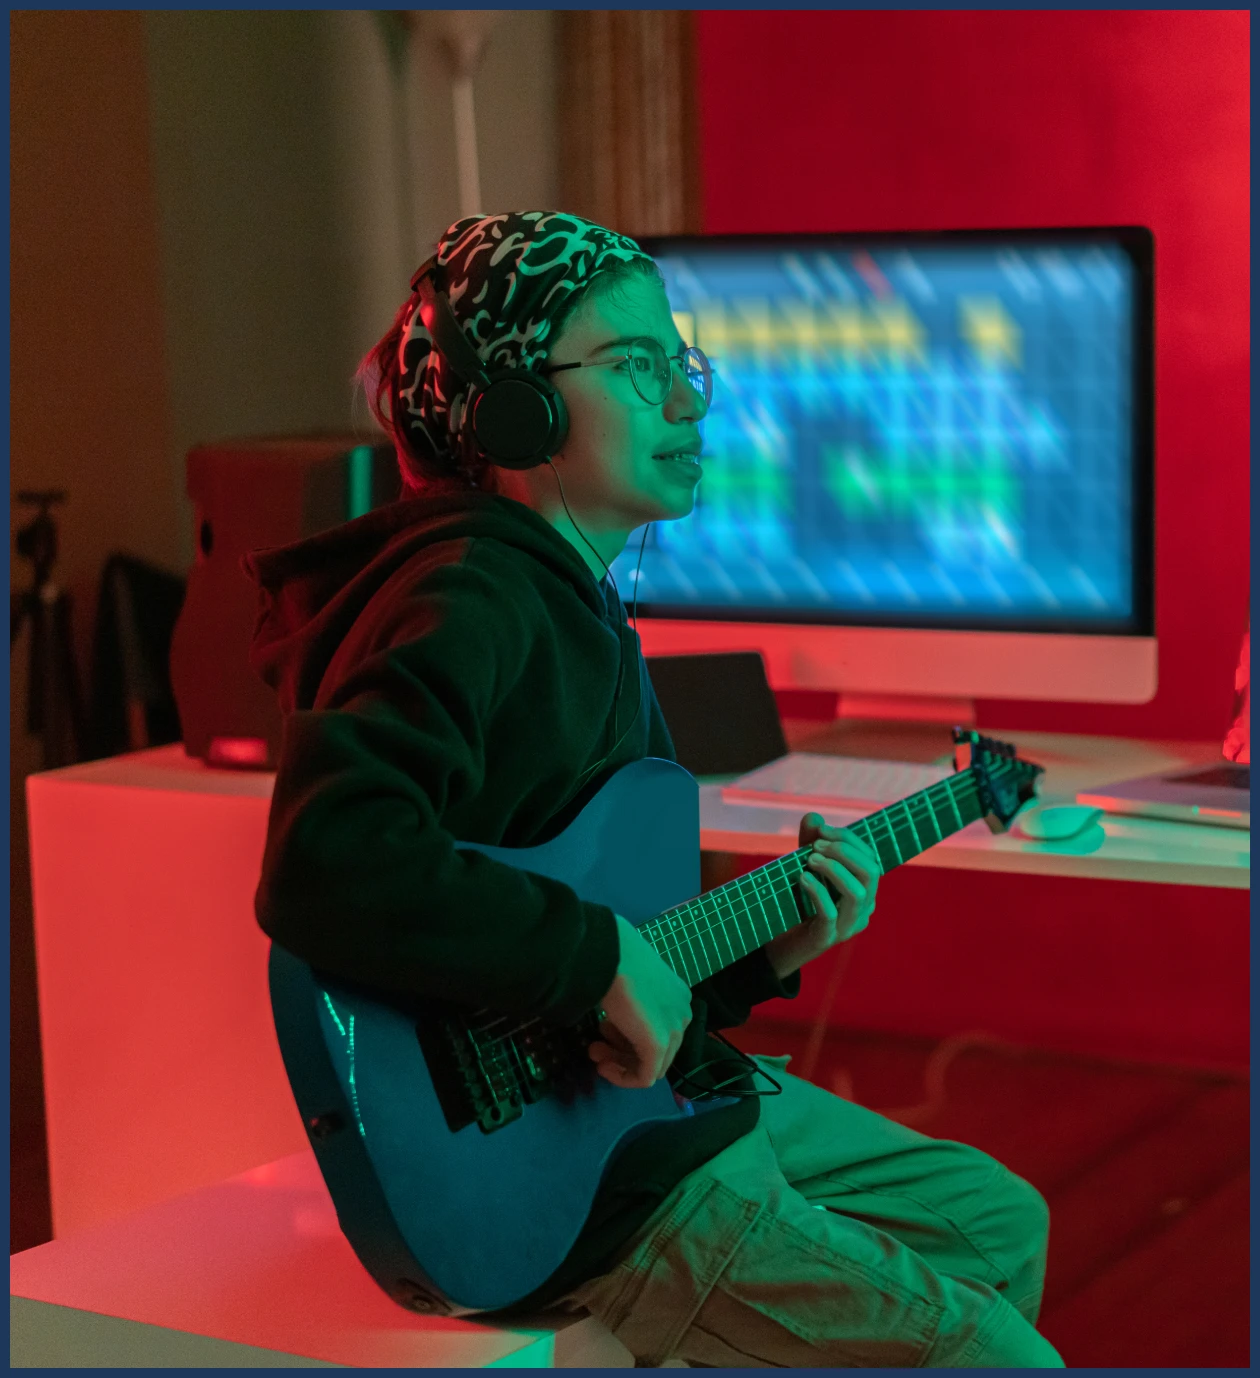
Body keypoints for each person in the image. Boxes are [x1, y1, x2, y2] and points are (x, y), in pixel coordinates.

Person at [247, 210, 1063, 1367]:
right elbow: (329, 855)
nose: (691, 403)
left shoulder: (575, 605)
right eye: (638, 366)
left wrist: (760, 951)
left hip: (651, 1104)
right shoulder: (471, 595)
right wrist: (592, 958)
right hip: (599, 1187)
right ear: (516, 407)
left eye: (683, 364)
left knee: (998, 1221)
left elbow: (620, 953)